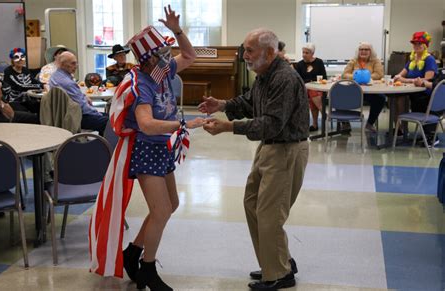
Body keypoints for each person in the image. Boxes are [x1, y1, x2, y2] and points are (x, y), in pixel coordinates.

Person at [89, 6, 204, 290]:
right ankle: (148, 269)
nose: (168, 56)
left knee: (171, 204)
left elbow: (190, 55)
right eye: (162, 53)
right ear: (148, 58)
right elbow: (147, 124)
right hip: (145, 148)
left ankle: (133, 251)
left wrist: (177, 31)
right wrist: (185, 123)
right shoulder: (142, 84)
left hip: (159, 147)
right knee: (162, 209)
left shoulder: (162, 71)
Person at [199, 28, 309, 290]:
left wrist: (229, 127)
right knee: (253, 203)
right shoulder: (264, 74)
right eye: (244, 49)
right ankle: (277, 261)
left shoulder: (284, 78)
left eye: (250, 50)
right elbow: (251, 102)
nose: (244, 56)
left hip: (285, 149)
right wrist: (222, 105)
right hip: (270, 148)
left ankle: (280, 274)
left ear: (270, 52)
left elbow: (271, 124)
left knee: (270, 213)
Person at [49, 51, 109, 135]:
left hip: (64, 114)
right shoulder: (67, 83)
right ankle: (107, 146)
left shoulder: (54, 76)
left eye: (76, 63)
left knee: (107, 117)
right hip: (76, 117)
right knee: (110, 121)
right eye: (73, 63)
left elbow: (76, 97)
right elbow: (83, 107)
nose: (76, 66)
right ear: (63, 64)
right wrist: (97, 113)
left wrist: (84, 96)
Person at [393, 31, 438, 144]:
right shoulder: (412, 60)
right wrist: (399, 77)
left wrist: (406, 80)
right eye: (414, 43)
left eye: (420, 43)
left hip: (425, 95)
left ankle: (431, 135)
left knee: (415, 101)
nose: (416, 46)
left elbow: (427, 81)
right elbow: (400, 75)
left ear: (425, 45)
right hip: (414, 92)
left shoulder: (429, 60)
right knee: (395, 98)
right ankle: (401, 129)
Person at [343, 42, 385, 132]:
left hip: (370, 91)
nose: (363, 51)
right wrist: (356, 77)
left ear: (371, 51)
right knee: (339, 94)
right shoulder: (353, 61)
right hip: (354, 91)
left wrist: (364, 77)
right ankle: (345, 122)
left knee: (381, 98)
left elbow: (379, 74)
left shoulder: (376, 61)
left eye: (366, 49)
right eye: (361, 49)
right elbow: (345, 74)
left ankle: (370, 123)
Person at [294, 43, 326, 131]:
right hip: (305, 89)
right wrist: (309, 83)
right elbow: (298, 79)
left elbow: (324, 77)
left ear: (312, 53)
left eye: (306, 53)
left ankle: (315, 124)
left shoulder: (319, 62)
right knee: (312, 92)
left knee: (313, 93)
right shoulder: (299, 64)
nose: (304, 54)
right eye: (303, 52)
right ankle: (323, 113)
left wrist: (313, 83)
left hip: (318, 88)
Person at [3, 47, 42, 115]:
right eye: (16, 57)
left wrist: (43, 85)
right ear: (12, 60)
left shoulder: (25, 70)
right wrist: (38, 86)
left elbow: (33, 80)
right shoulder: (8, 71)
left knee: (41, 107)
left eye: (22, 57)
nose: (20, 59)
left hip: (28, 98)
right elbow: (20, 86)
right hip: (15, 100)